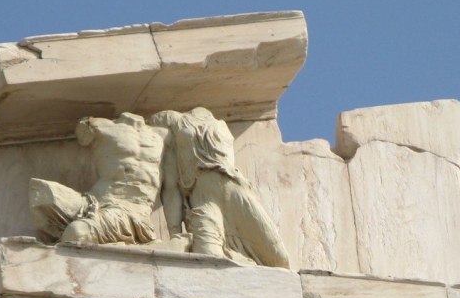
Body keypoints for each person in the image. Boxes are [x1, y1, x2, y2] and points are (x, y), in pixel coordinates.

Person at [150, 107, 290, 268]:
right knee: (209, 261)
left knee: (279, 258)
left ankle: (241, 260)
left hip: (235, 192)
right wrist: (176, 237)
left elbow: (171, 190)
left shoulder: (184, 129)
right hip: (204, 202)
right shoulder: (177, 140)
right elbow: (171, 189)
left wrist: (175, 233)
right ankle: (238, 260)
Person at [30, 112, 167, 245]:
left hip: (129, 211)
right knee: (42, 193)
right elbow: (83, 135)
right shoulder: (100, 126)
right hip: (96, 201)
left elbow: (172, 190)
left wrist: (175, 233)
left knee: (76, 232)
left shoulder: (163, 136)